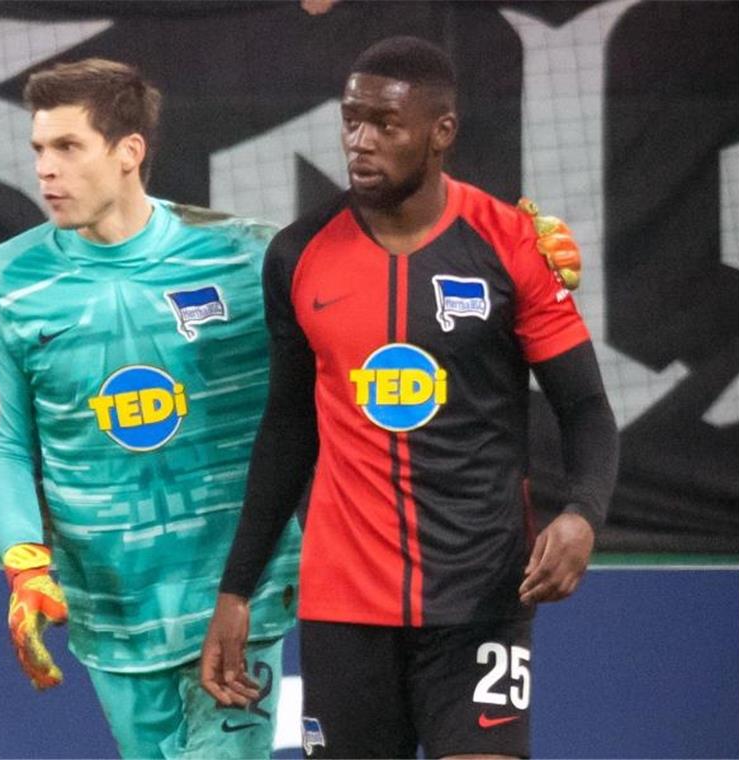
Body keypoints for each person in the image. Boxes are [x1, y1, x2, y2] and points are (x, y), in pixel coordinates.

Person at [200, 36, 617, 760]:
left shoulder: (512, 244)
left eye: (385, 125)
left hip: (484, 595)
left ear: (440, 133)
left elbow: (585, 408)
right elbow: (288, 429)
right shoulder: (299, 256)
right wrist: (237, 589)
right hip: (343, 605)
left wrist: (582, 513)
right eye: (350, 120)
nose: (359, 142)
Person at [0, 58, 303, 759]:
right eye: (39, 149)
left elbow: (382, 280)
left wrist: (512, 247)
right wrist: (26, 567)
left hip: (236, 601)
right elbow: (4, 445)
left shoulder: (246, 256)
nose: (46, 171)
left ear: (129, 152)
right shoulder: (12, 277)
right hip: (112, 612)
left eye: (68, 148)